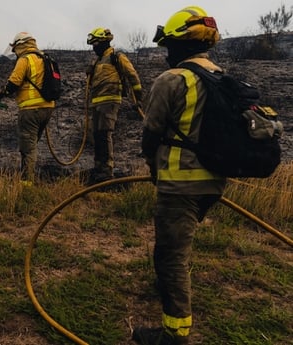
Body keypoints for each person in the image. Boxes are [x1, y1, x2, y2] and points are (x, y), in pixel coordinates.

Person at [135, 6, 224, 345]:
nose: (167, 53)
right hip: (212, 182)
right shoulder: (219, 76)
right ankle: (173, 286)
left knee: (170, 258)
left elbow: (151, 132)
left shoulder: (172, 80)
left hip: (180, 183)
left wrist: (152, 165)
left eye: (169, 45)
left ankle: (175, 334)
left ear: (180, 44)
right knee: (179, 247)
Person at [85, 27, 142, 183]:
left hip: (109, 101)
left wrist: (139, 96)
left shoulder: (116, 56)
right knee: (97, 135)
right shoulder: (97, 61)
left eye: (96, 43)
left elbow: (132, 75)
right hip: (96, 102)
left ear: (104, 42)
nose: (94, 47)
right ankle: (99, 167)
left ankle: (106, 170)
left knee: (104, 134)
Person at [0, 32, 55, 185]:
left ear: (20, 45)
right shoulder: (44, 58)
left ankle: (26, 185)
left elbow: (13, 83)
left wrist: (3, 93)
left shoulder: (25, 59)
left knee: (28, 148)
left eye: (15, 47)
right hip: (47, 108)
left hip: (31, 110)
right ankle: (28, 179)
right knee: (32, 144)